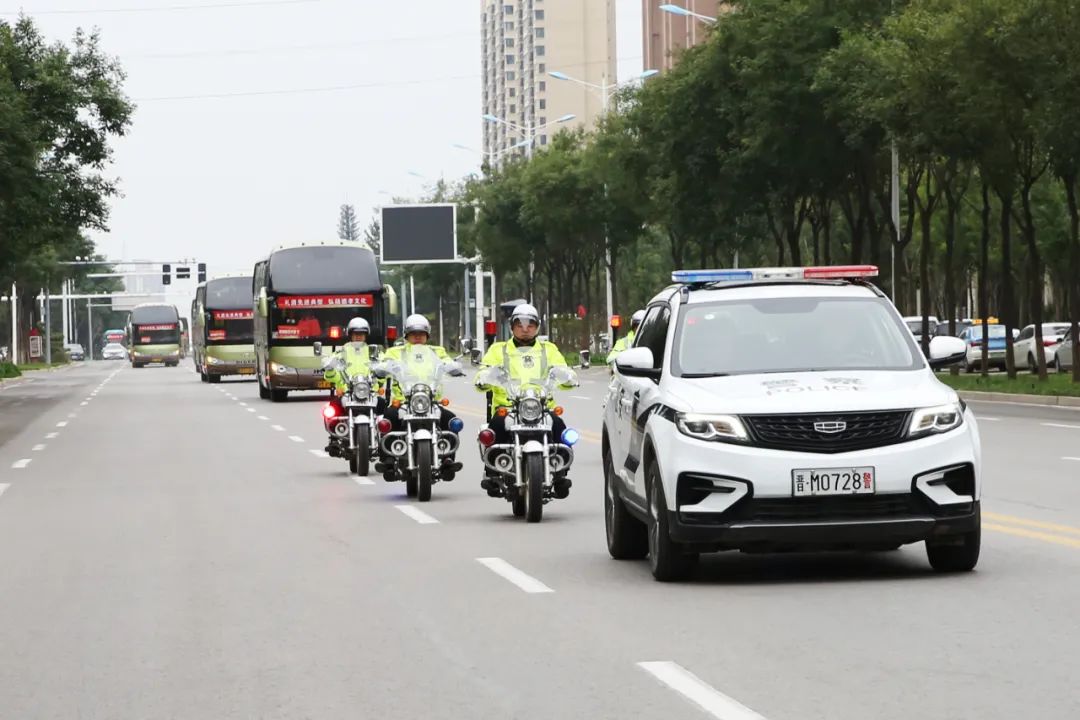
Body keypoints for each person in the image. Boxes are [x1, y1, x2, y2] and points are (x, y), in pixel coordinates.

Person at [476, 303, 575, 498]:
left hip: (542, 407)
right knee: (493, 429)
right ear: (512, 327)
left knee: (562, 430)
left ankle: (561, 472)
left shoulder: (549, 349)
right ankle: (492, 472)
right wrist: (483, 378)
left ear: (537, 327)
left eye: (530, 324)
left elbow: (562, 370)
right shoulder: (499, 349)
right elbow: (484, 371)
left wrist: (569, 377)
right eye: (519, 324)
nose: (525, 329)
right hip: (508, 407)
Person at [378, 314, 462, 479]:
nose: (417, 336)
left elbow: (447, 361)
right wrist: (380, 368)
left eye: (421, 333)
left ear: (427, 335)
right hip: (404, 401)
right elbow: (384, 362)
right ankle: (387, 459)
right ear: (406, 335)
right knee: (387, 418)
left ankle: (447, 459)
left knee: (451, 421)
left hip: (431, 402)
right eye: (413, 333)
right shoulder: (396, 352)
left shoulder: (437, 351)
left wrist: (454, 367)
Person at [322, 317, 383, 451]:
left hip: (370, 392)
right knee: (332, 410)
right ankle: (335, 439)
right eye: (356, 334)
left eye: (361, 334)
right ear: (350, 335)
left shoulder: (374, 352)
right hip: (347, 391)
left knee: (387, 412)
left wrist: (383, 373)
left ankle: (385, 441)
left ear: (366, 335)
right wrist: (330, 368)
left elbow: (383, 369)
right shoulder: (340, 353)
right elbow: (331, 373)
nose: (358, 337)